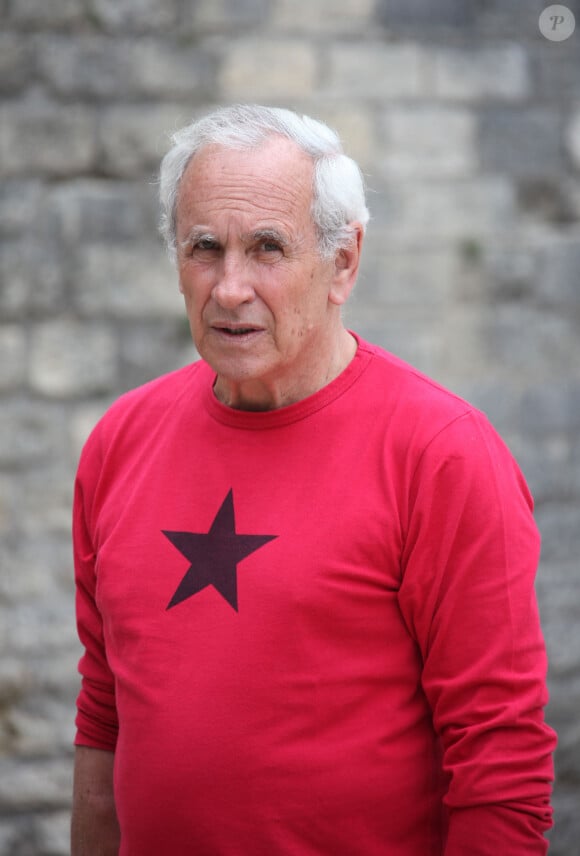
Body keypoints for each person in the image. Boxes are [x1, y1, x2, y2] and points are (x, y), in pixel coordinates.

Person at [71, 104, 556, 855]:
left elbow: (501, 760)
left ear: (344, 262)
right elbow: (104, 716)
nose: (230, 288)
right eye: (205, 248)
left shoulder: (443, 456)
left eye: (268, 248)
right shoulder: (119, 442)